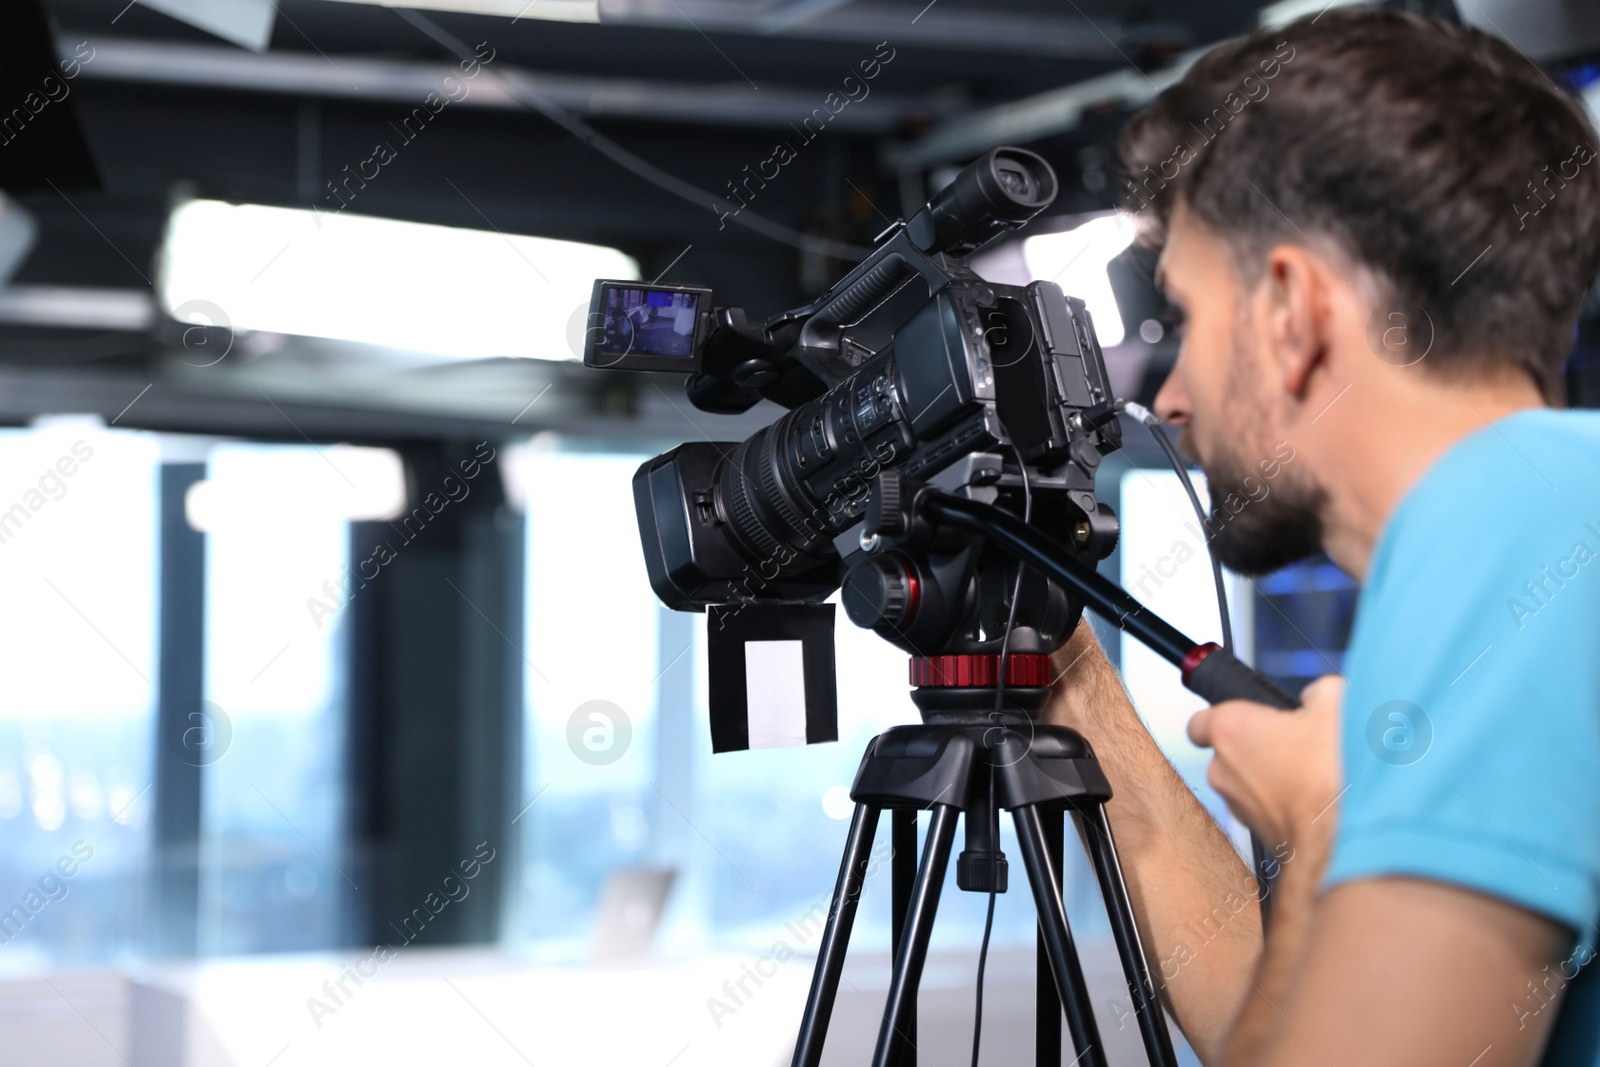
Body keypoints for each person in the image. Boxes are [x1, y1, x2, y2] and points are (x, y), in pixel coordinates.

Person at [1043, 9, 1600, 1066]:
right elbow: (1332, 1019)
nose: (1169, 398)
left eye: (1190, 319)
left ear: (1290, 312)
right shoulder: (1552, 513)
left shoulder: (1506, 518)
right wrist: (1064, 673)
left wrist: (1321, 842)